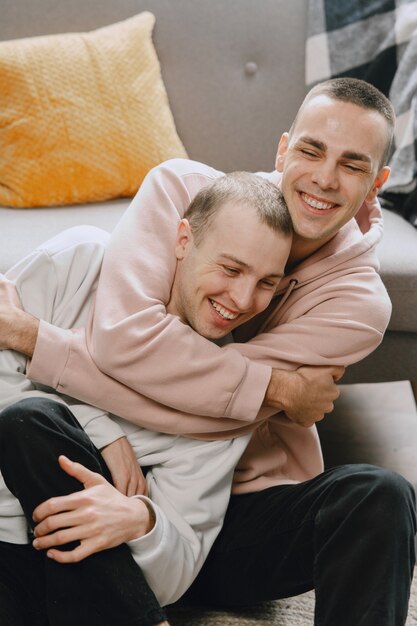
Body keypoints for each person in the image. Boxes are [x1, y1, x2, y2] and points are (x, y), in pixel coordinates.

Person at [1, 78, 415, 625]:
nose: (324, 178)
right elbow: (127, 344)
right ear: (283, 148)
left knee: (380, 496)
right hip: (81, 486)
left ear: (378, 182)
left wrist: (37, 341)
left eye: (353, 165)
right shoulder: (181, 190)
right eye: (312, 150)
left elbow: (210, 412)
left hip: (236, 508)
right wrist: (108, 431)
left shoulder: (358, 304)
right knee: (31, 423)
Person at [0, 172, 312, 625]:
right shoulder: (82, 260)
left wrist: (140, 521)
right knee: (30, 420)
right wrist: (101, 432)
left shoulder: (226, 394)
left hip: (84, 574)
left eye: (267, 283)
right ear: (183, 238)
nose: (243, 299)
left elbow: (174, 576)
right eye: (230, 268)